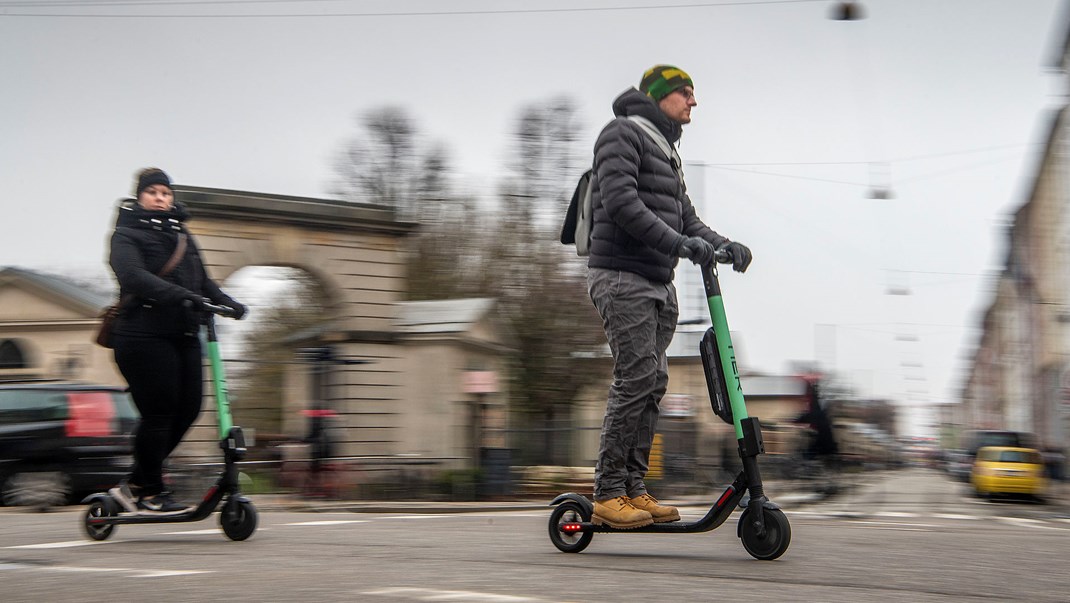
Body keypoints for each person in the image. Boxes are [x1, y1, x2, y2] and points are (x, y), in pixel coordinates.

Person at [586, 66, 752, 529]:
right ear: (658, 96)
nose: (692, 101)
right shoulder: (621, 134)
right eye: (684, 92)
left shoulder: (666, 151)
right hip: (621, 277)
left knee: (653, 383)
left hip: (658, 282)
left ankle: (634, 491)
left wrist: (723, 245)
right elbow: (621, 203)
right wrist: (679, 245)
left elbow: (688, 221)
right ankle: (607, 492)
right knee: (635, 377)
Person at [107, 168, 246, 514]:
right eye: (153, 192)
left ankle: (136, 482)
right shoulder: (126, 235)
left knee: (190, 408)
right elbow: (133, 276)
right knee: (160, 412)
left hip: (183, 332)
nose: (160, 198)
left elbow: (202, 281)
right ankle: (150, 490)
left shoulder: (182, 235)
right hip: (142, 334)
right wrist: (181, 295)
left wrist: (227, 301)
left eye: (166, 193)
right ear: (140, 197)